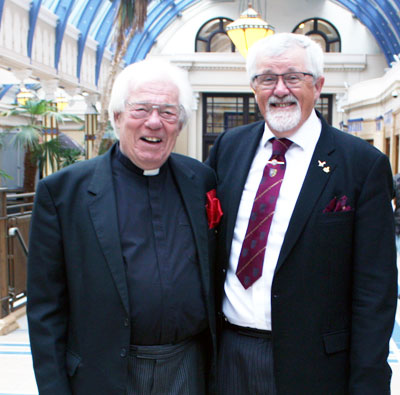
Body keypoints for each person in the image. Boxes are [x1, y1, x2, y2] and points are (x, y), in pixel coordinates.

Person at [207, 33, 398, 394]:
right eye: (267, 78)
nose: (280, 89)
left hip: (315, 367)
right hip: (229, 355)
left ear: (318, 84)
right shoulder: (228, 148)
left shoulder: (362, 164)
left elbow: (376, 290)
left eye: (294, 77)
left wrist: (369, 383)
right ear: (254, 88)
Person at [27, 59, 219, 394]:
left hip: (188, 368)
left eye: (168, 112)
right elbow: (45, 309)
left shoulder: (200, 180)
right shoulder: (63, 192)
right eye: (141, 109)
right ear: (117, 117)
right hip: (105, 372)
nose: (155, 122)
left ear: (180, 123)